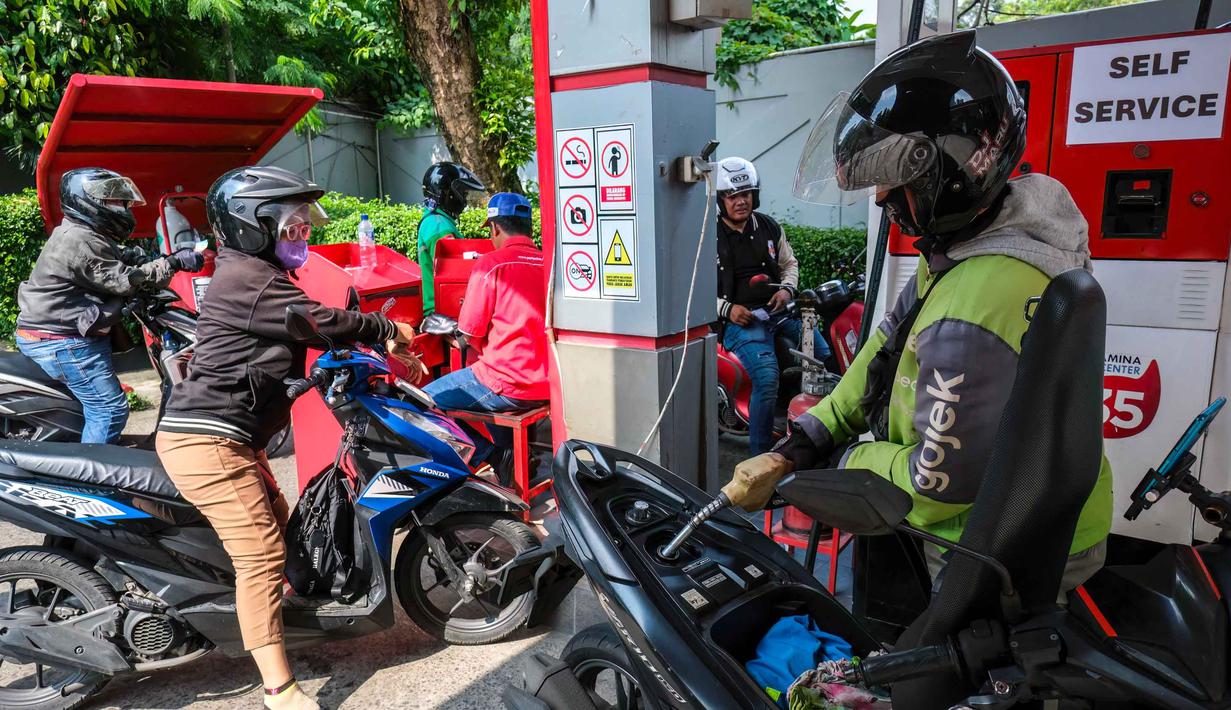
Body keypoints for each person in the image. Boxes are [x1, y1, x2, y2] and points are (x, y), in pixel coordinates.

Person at [722, 31, 1112, 592]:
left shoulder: (982, 300)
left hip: (1002, 546)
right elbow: (880, 356)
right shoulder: (973, 247)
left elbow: (932, 488)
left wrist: (853, 457)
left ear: (944, 173)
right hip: (1001, 521)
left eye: (890, 178)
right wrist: (799, 444)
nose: (879, 197)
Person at [154, 166, 417, 710]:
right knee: (262, 554)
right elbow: (317, 319)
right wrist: (388, 329)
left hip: (233, 438)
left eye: (304, 226)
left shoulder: (256, 274)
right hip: (208, 441)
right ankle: (279, 689)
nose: (303, 236)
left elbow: (288, 336)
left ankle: (286, 615)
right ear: (253, 226)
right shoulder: (246, 278)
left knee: (282, 523)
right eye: (292, 227)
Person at [15, 167, 203, 444]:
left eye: (122, 201)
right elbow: (124, 281)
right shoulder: (79, 240)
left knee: (99, 407)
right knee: (109, 409)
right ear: (87, 201)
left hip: (62, 334)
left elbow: (112, 260)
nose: (122, 207)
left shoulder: (85, 233)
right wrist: (172, 263)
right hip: (62, 342)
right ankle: (90, 482)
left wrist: (139, 256)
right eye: (114, 201)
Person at [716, 156, 833, 456]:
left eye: (745, 194)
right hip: (740, 321)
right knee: (767, 378)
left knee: (822, 357)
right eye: (732, 196)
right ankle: (760, 459)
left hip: (779, 312)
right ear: (720, 200)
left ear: (754, 195)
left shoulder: (769, 227)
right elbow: (691, 287)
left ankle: (810, 432)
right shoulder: (708, 236)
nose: (740, 201)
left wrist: (786, 289)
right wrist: (727, 309)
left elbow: (789, 264)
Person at [423, 192, 549, 474]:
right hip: (546, 383)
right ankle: (514, 461)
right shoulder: (549, 263)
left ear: (495, 228)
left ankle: (489, 454)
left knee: (418, 403)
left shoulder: (490, 264)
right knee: (485, 382)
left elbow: (468, 334)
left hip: (507, 382)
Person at [417, 162, 486, 315]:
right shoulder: (439, 227)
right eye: (463, 193)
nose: (465, 199)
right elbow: (455, 272)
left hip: (444, 308)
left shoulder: (436, 220)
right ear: (449, 193)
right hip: (443, 312)